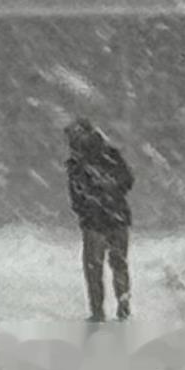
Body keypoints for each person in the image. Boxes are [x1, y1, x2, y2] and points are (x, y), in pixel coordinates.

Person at [64, 116, 133, 325]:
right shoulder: (110, 155)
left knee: (94, 268)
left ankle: (98, 311)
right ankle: (123, 305)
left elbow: (76, 196)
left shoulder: (77, 164)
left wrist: (86, 209)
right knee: (118, 263)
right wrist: (110, 190)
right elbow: (127, 181)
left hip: (95, 222)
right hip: (117, 217)